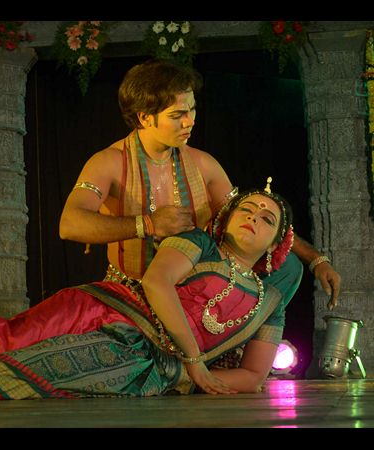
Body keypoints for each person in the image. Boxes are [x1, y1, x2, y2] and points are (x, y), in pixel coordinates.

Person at [0, 183, 297, 401]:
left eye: (266, 218)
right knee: (7, 335)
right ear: (226, 217)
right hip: (110, 304)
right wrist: (196, 360)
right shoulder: (197, 242)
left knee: (38, 371)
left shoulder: (270, 302)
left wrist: (197, 379)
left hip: (147, 359)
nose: (252, 218)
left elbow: (255, 375)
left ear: (278, 242)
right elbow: (156, 282)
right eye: (246, 209)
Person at [59, 59, 341, 310]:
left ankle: (244, 336)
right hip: (131, 295)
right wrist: (148, 224)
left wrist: (316, 259)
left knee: (289, 266)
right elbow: (70, 224)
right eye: (177, 115)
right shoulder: (109, 162)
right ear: (144, 117)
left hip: (194, 295)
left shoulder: (203, 164)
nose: (190, 122)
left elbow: (250, 217)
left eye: (192, 110)